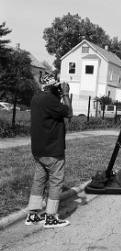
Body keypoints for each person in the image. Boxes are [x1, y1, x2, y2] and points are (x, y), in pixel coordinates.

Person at [25, 73, 73, 228]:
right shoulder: (51, 101)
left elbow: (55, 111)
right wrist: (65, 93)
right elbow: (69, 113)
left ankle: (32, 215)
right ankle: (51, 217)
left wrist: (57, 93)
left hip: (38, 150)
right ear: (54, 86)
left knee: (38, 181)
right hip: (53, 150)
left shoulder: (36, 99)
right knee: (55, 182)